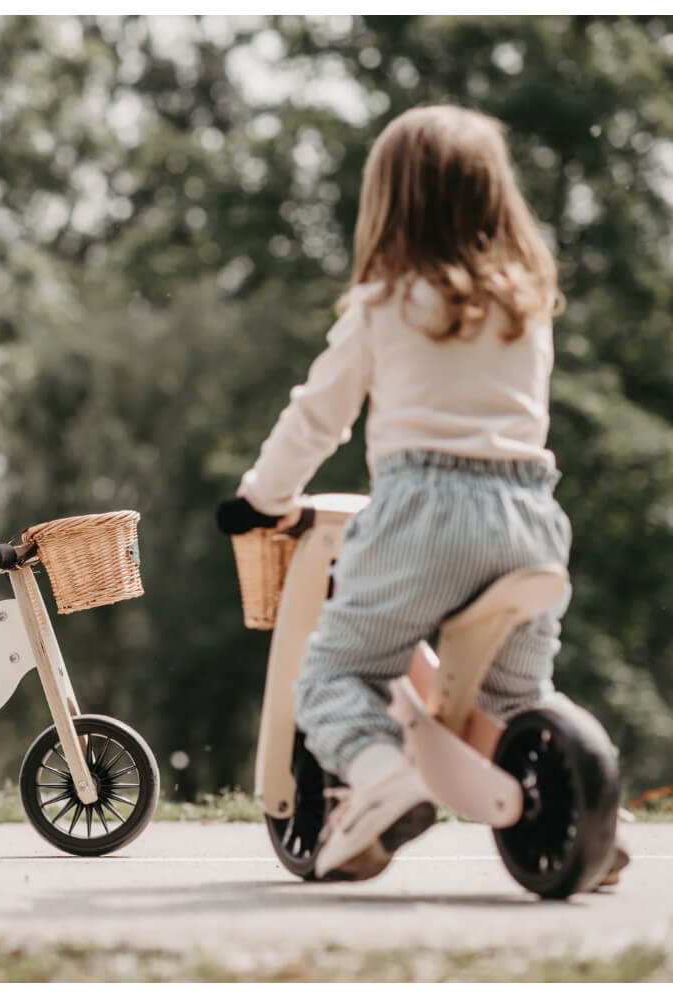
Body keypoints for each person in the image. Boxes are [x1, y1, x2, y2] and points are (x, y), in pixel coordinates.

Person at [217, 104, 583, 881]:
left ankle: (385, 779)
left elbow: (319, 414)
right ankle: (583, 807)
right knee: (515, 701)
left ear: (392, 201)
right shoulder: (527, 307)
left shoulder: (386, 302)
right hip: (531, 520)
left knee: (337, 673)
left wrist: (263, 497)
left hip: (425, 516)